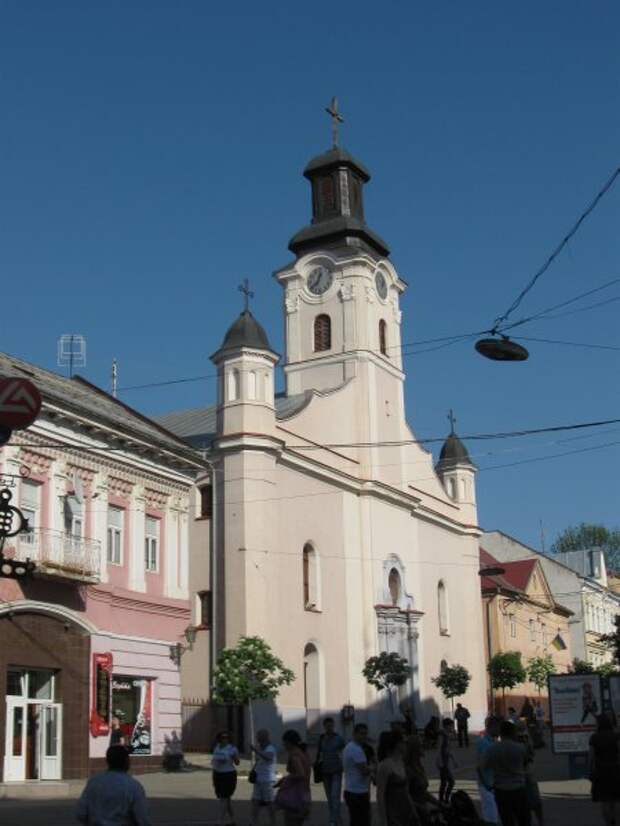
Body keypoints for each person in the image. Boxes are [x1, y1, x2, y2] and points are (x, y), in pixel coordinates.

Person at [76, 744, 151, 826]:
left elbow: (81, 814)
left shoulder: (94, 782)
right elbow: (143, 819)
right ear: (126, 762)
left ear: (107, 761)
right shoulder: (133, 786)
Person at [482, 721, 531, 826]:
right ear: (513, 732)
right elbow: (527, 765)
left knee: (507, 820)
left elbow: (482, 767)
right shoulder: (520, 748)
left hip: (501, 790)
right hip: (518, 788)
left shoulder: (492, 749)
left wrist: (487, 784)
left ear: (501, 733)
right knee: (524, 819)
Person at [376, 731, 420, 826]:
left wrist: (413, 811)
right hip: (393, 813)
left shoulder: (401, 762)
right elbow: (380, 795)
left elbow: (406, 792)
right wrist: (383, 821)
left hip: (405, 810)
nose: (406, 745)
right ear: (397, 744)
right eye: (403, 742)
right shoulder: (384, 765)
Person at [589, 714, 620, 826]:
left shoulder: (594, 737)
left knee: (605, 800)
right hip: (616, 770)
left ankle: (608, 823)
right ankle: (616, 821)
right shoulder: (616, 736)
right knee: (616, 800)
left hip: (601, 771)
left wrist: (591, 771)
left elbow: (591, 757)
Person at [276, 730, 311, 826]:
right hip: (304, 794)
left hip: (296, 796)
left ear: (289, 742)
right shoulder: (303, 753)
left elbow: (300, 774)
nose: (283, 745)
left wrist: (286, 779)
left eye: (284, 742)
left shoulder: (295, 756)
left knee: (291, 822)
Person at [316, 717, 345, 826]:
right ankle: (337, 819)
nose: (329, 727)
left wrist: (342, 763)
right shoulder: (321, 738)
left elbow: (344, 751)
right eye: (327, 726)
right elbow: (319, 754)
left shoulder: (339, 739)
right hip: (325, 771)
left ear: (333, 726)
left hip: (336, 770)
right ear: (324, 726)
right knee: (329, 798)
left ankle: (333, 821)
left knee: (334, 796)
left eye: (331, 725)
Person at [514, 724, 543, 826]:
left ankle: (539, 821)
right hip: (523, 772)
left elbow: (531, 755)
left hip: (525, 772)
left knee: (533, 800)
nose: (523, 738)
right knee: (527, 801)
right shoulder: (521, 742)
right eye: (520, 736)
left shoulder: (524, 741)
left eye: (524, 736)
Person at [343, 723, 372, 826]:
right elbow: (364, 771)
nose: (364, 736)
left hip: (351, 790)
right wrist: (374, 768)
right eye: (361, 733)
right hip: (358, 792)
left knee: (355, 820)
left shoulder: (349, 746)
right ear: (354, 734)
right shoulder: (356, 750)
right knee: (362, 821)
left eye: (365, 734)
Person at [212, 731, 240, 825]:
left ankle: (219, 821)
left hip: (228, 775)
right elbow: (214, 761)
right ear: (219, 739)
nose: (225, 739)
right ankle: (233, 820)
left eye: (227, 737)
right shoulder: (217, 747)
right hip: (217, 774)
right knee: (226, 799)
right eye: (223, 737)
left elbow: (237, 763)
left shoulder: (232, 749)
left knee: (224, 798)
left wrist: (234, 757)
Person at [250, 729, 277, 826]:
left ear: (264, 737)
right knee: (255, 801)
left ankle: (273, 822)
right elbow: (259, 761)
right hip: (258, 779)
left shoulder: (270, 748)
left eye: (258, 735)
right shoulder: (260, 748)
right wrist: (253, 771)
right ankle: (254, 822)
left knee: (270, 803)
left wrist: (256, 750)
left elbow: (268, 757)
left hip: (268, 781)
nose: (256, 737)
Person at [476, 718, 500, 825]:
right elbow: (480, 767)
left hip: (493, 784)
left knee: (493, 815)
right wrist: (486, 785)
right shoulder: (483, 743)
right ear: (491, 727)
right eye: (497, 727)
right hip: (487, 785)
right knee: (491, 817)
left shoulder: (493, 742)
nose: (499, 730)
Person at [437, 718, 457, 805]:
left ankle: (443, 799)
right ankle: (443, 800)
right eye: (451, 726)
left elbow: (448, 749)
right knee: (449, 782)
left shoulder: (447, 735)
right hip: (443, 761)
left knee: (445, 782)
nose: (452, 727)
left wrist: (454, 760)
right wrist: (439, 760)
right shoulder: (442, 735)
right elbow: (439, 748)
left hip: (446, 760)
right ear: (447, 726)